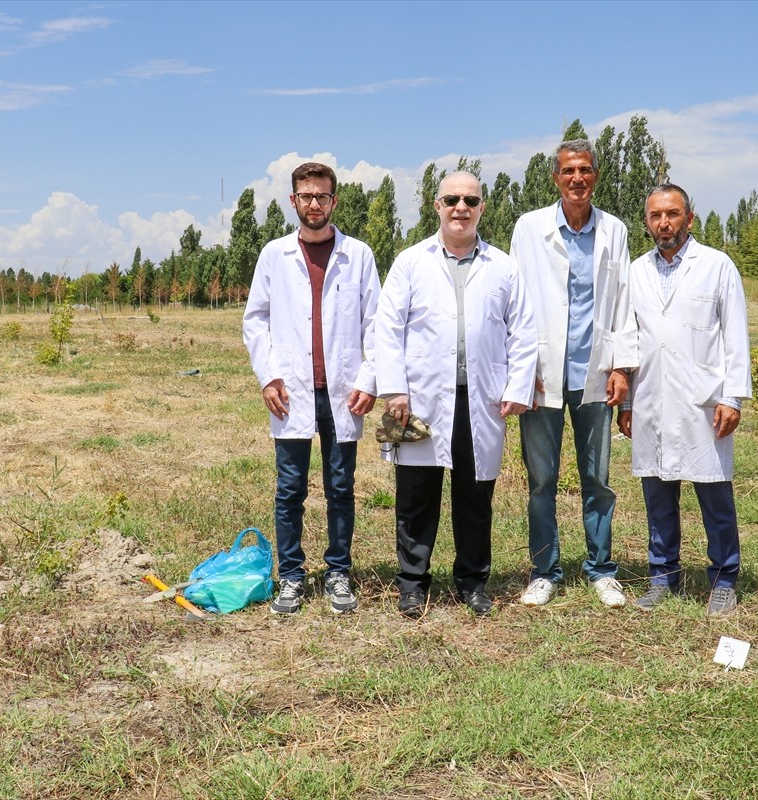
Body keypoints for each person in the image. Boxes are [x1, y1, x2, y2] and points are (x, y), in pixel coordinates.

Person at [374, 172, 537, 618]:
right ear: (437, 206)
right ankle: (412, 584)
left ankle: (473, 581)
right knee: (416, 496)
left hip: (481, 399)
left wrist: (518, 387)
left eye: (470, 200)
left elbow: (523, 332)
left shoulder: (503, 266)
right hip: (418, 400)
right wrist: (394, 390)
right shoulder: (411, 262)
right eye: (451, 200)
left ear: (482, 207)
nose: (460, 208)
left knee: (475, 495)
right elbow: (387, 328)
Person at [243, 161, 380, 616]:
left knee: (341, 487)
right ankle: (292, 576)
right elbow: (255, 320)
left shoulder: (358, 255)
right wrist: (268, 376)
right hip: (291, 390)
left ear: (334, 201)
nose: (315, 203)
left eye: (322, 196)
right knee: (290, 489)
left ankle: (338, 572)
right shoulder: (274, 255)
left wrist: (369, 379)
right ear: (293, 201)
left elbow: (375, 322)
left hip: (344, 390)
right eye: (307, 196)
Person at [509, 139, 637, 609]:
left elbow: (623, 301)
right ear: (555, 178)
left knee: (597, 478)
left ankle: (602, 570)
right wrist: (521, 368)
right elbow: (515, 300)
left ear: (595, 176)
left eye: (585, 170)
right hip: (541, 373)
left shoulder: (614, 230)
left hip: (594, 372)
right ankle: (544, 571)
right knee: (541, 480)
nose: (577, 178)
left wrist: (620, 367)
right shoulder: (530, 228)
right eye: (568, 171)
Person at [617, 183, 752, 616]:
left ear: (689, 219)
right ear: (646, 223)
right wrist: (626, 404)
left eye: (672, 214)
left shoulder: (716, 266)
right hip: (650, 398)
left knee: (714, 493)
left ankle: (723, 580)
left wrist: (732, 397)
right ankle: (663, 576)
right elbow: (628, 338)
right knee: (657, 494)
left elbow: (735, 335)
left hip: (703, 401)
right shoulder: (636, 271)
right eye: (655, 216)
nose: (664, 223)